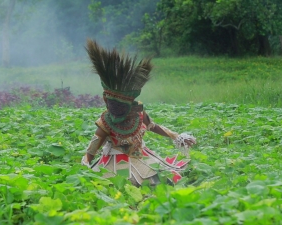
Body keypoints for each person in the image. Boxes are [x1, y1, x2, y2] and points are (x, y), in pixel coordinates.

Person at [81, 39, 196, 187]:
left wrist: (176, 136)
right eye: (112, 105)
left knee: (163, 179)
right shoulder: (105, 122)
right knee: (120, 185)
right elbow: (92, 148)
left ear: (131, 104)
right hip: (116, 162)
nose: (116, 110)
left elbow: (152, 126)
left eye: (120, 106)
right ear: (105, 100)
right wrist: (85, 166)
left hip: (142, 157)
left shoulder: (139, 113)